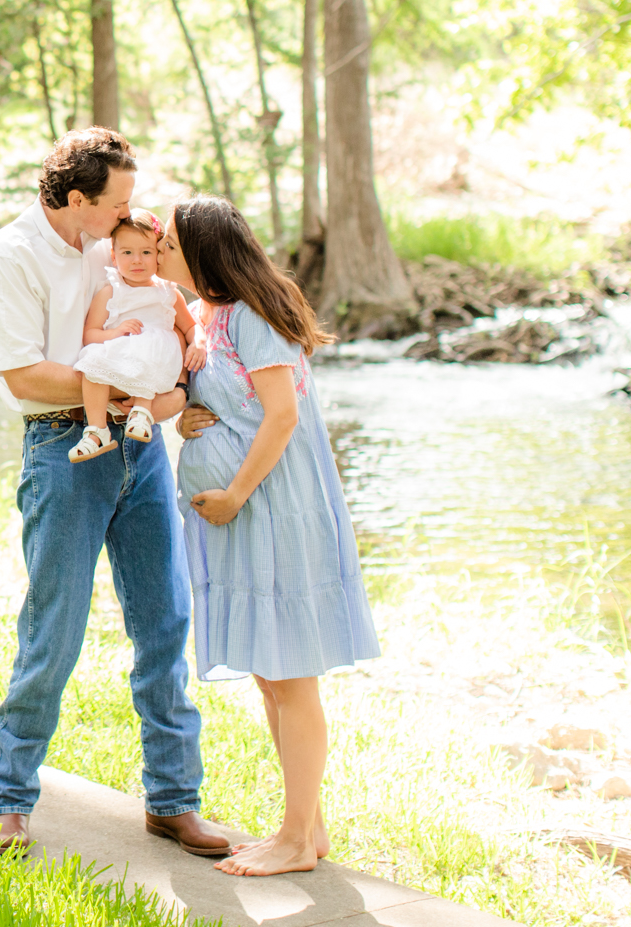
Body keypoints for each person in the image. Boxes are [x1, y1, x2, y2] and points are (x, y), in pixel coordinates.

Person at [0, 128, 230, 858]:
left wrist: (186, 380)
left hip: (142, 450)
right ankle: (11, 800)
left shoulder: (112, 244)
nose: (133, 212)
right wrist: (134, 385)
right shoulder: (11, 256)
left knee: (164, 621)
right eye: (119, 198)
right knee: (53, 632)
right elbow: (24, 376)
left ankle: (173, 800)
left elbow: (169, 305)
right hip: (63, 449)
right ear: (77, 200)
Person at [158, 195, 381, 877]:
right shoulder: (210, 315)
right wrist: (192, 414)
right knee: (269, 673)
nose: (160, 249)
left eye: (168, 241)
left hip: (272, 508)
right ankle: (308, 829)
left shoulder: (253, 317)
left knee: (291, 675)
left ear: (204, 249)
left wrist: (231, 492)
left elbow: (282, 417)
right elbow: (231, 400)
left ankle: (293, 840)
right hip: (241, 515)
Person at [69, 209, 206, 463]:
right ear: (114, 255)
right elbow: (90, 335)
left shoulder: (168, 293)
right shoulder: (110, 293)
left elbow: (190, 326)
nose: (137, 261)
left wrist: (198, 341)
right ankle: (97, 430)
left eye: (146, 252)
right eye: (127, 253)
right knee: (92, 363)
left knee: (150, 347)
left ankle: (143, 412)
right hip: (119, 352)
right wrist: (116, 332)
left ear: (158, 254)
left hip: (157, 356)